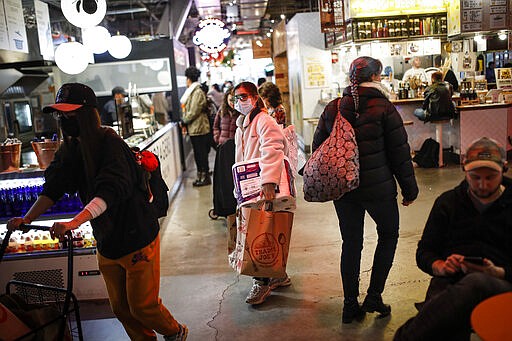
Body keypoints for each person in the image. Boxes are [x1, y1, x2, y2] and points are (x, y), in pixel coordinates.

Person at [6, 83, 188, 341]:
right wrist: (27, 218)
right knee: (121, 309)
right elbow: (54, 187)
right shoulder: (71, 148)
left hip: (137, 236)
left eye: (70, 114)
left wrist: (74, 222)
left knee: (142, 306)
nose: (64, 120)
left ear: (87, 114)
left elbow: (109, 192)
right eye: (60, 115)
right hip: (107, 240)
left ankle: (175, 331)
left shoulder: (110, 143)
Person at [312, 56, 418, 324]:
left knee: (351, 243)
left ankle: (350, 305)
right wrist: (409, 189)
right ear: (376, 77)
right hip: (379, 189)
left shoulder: (333, 107)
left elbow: (318, 150)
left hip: (345, 190)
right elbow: (399, 153)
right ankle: (374, 295)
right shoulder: (385, 108)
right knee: (388, 235)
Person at [394, 137, 512, 341]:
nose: (482, 185)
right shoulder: (448, 203)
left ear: (504, 169)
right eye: (475, 177)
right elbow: (425, 251)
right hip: (452, 280)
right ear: (464, 170)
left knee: (474, 283)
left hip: (503, 282)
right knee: (448, 313)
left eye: (490, 177)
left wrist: (497, 271)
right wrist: (439, 265)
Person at [233, 81, 292, 305]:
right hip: (249, 188)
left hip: (263, 188)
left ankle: (263, 281)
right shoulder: (244, 124)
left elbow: (274, 147)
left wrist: (268, 182)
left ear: (255, 98)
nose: (239, 102)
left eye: (243, 97)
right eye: (236, 98)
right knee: (262, 230)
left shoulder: (264, 120)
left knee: (261, 234)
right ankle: (277, 274)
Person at [211, 88, 240, 235]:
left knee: (234, 180)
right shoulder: (221, 111)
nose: (232, 102)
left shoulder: (241, 113)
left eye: (235, 99)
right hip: (222, 150)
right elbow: (215, 126)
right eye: (230, 99)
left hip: (236, 151)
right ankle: (222, 208)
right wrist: (218, 139)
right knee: (222, 181)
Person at [180, 66, 211, 187]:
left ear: (188, 79)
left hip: (200, 128)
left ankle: (205, 176)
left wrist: (184, 121)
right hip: (196, 128)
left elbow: (194, 111)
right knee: (198, 154)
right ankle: (201, 175)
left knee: (201, 154)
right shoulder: (194, 91)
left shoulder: (196, 91)